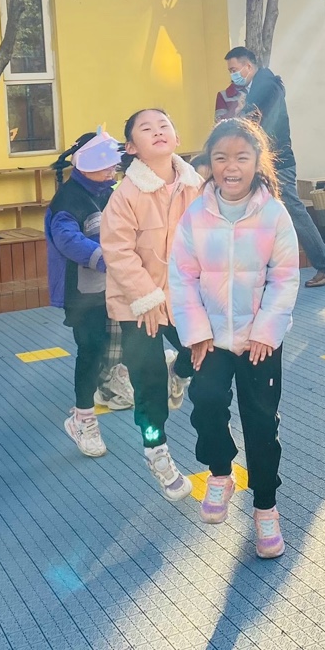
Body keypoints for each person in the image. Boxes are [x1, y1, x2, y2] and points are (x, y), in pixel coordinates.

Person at [170, 117, 299, 559]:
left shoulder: (274, 214)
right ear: (209, 163)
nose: (231, 166)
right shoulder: (196, 214)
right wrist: (195, 332)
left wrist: (267, 332)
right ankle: (221, 472)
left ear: (257, 162)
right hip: (209, 339)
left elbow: (285, 277)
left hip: (259, 340)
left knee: (261, 423)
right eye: (221, 157)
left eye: (241, 157)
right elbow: (182, 277)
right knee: (206, 403)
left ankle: (265, 508)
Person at [99, 108, 204, 501]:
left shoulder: (196, 186)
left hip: (184, 298)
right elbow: (118, 251)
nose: (158, 132)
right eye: (146, 129)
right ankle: (156, 450)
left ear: (176, 138)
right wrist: (146, 299)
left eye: (164, 126)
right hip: (137, 305)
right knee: (148, 382)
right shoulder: (124, 195)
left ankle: (179, 371)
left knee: (203, 355)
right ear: (132, 147)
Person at [225, 47, 325, 287]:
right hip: (268, 160)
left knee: (292, 210)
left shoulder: (265, 85)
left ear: (248, 66)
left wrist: (235, 122)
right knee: (263, 213)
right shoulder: (262, 84)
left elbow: (254, 120)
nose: (232, 75)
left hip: (275, 161)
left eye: (234, 69)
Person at [47, 128, 121, 458]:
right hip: (82, 291)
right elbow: (68, 240)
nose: (112, 168)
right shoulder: (68, 199)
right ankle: (83, 417)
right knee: (90, 348)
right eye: (104, 163)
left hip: (114, 285)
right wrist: (110, 260)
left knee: (118, 338)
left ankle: (109, 384)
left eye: (113, 163)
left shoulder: (110, 191)